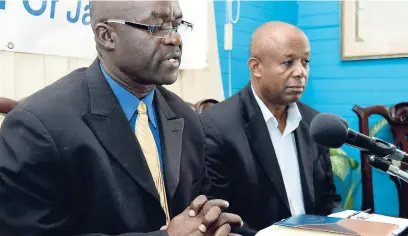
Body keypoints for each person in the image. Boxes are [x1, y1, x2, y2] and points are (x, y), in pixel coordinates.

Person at [0, 1, 242, 236]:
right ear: (107, 36)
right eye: (156, 27)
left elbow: (201, 201)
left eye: (177, 25)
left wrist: (211, 221)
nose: (175, 39)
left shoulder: (185, 118)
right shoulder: (37, 128)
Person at [200, 21, 341, 235]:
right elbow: (219, 214)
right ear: (256, 67)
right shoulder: (217, 127)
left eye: (305, 62)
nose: (300, 72)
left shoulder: (314, 122)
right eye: (288, 62)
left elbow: (328, 198)